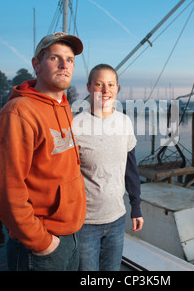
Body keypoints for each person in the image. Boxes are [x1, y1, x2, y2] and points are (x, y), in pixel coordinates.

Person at [0, 32, 86, 271]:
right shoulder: (18, 113)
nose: (65, 65)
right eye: (55, 58)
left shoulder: (64, 107)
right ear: (36, 64)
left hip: (70, 236)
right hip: (41, 247)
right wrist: (41, 242)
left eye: (70, 59)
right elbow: (3, 190)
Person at [73, 64, 144, 271]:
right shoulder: (76, 126)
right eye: (99, 84)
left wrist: (136, 207)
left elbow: (131, 169)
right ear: (89, 87)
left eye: (111, 84)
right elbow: (65, 175)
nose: (106, 91)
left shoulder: (125, 123)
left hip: (117, 219)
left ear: (117, 88)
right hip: (85, 224)